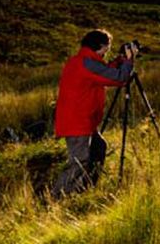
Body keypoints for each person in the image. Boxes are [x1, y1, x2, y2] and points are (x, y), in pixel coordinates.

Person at [52, 29, 136, 197]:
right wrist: (129, 62)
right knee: (79, 161)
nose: (108, 51)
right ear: (100, 46)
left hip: (83, 120)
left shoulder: (84, 61)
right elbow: (118, 78)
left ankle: (84, 189)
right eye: (108, 47)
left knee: (98, 147)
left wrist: (121, 60)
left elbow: (104, 71)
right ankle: (56, 198)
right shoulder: (86, 63)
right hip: (78, 122)